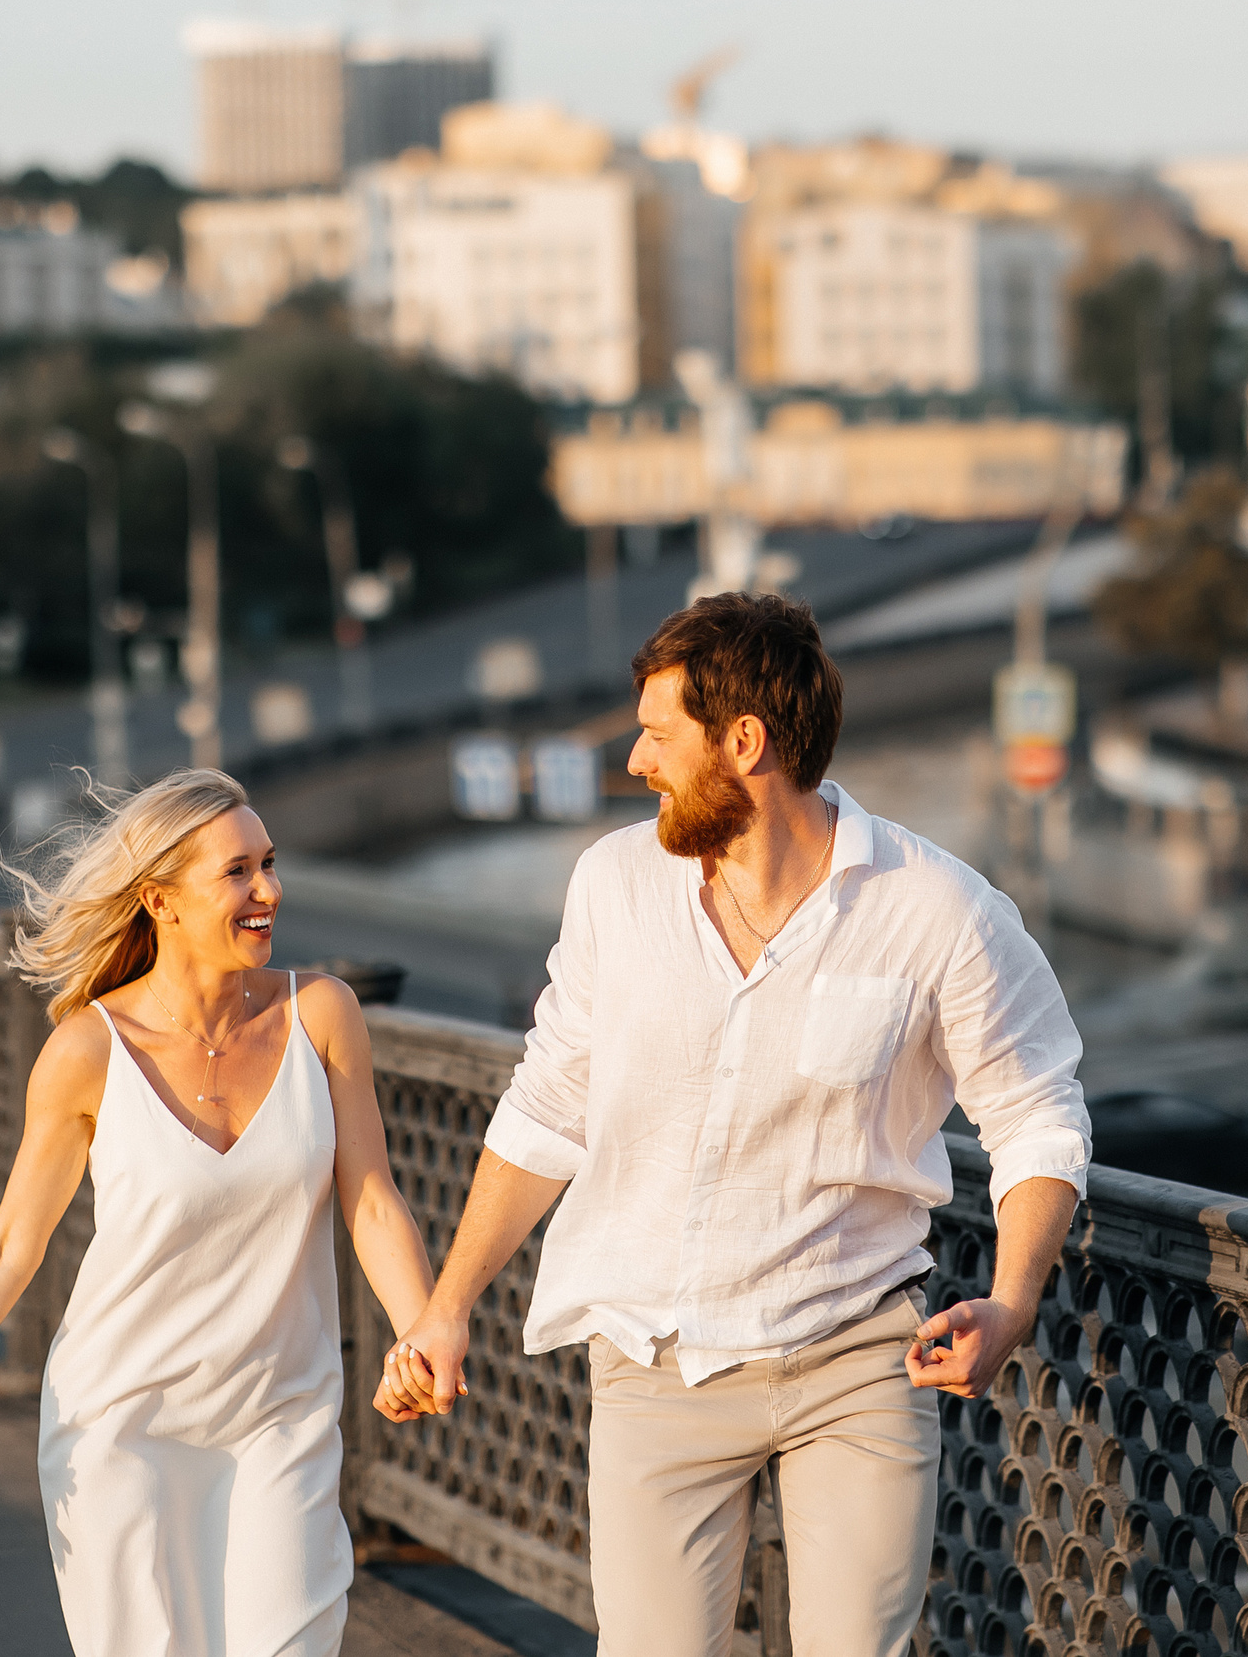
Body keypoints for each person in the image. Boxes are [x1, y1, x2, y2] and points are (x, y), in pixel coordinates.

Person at [378, 594, 1092, 1657]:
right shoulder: (615, 885)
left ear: (743, 742)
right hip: (653, 1366)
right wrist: (446, 1308)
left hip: (858, 1358)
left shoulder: (938, 910)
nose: (635, 761)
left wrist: (1014, 1299)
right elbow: (548, 1105)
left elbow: (1036, 1112)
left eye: (658, 734)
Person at [0, 768, 439, 1657]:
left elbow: (374, 1200)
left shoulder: (322, 1013)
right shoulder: (87, 1051)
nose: (269, 890)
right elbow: (9, 1247)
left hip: (281, 1416)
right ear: (161, 900)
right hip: (121, 1427)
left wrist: (422, 1334)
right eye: (237, 871)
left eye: (270, 863)